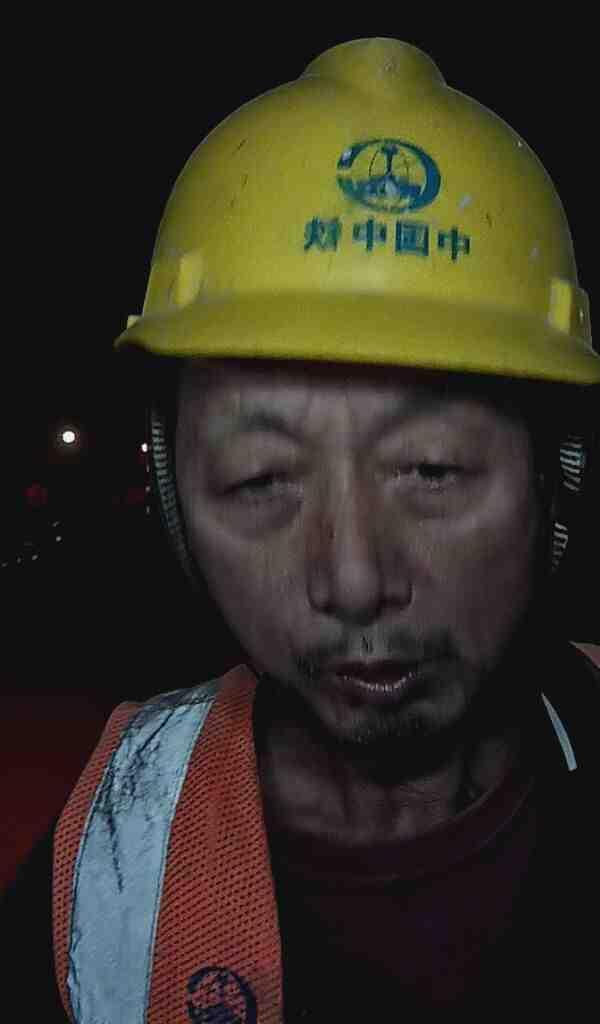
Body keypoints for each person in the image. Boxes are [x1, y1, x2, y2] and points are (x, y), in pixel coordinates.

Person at [3, 37, 600, 1022]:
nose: (354, 577)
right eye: (260, 478)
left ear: (556, 477)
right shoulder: (109, 862)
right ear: (175, 495)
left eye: (433, 467)